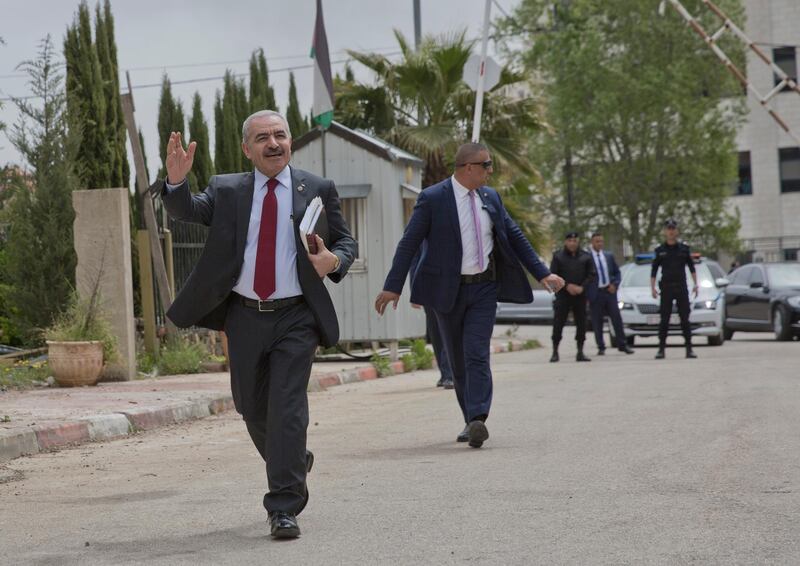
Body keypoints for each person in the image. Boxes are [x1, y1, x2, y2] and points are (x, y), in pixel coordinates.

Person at [159, 110, 357, 539]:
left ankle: (283, 506)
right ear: (248, 148)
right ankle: (291, 459)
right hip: (245, 314)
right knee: (252, 408)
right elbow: (187, 211)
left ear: (290, 142)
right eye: (263, 137)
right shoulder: (228, 190)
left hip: (296, 316)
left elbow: (345, 241)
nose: (274, 143)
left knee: (287, 407)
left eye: (280, 135)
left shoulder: (316, 189)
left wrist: (333, 260)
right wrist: (176, 183)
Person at [374, 143, 564, 449]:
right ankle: (469, 418)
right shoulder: (433, 198)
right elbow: (409, 243)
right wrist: (393, 285)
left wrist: (542, 272)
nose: (491, 171)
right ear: (469, 168)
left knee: (476, 351)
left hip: (484, 288)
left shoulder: (490, 197)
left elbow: (514, 235)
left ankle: (478, 417)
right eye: (487, 165)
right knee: (458, 361)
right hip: (446, 291)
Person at [651, 218, 697, 360]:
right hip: (666, 288)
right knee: (664, 319)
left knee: (685, 318)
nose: (671, 232)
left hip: (681, 287)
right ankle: (661, 349)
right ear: (665, 232)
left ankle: (689, 348)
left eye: (673, 229)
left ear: (676, 231)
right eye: (668, 229)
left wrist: (696, 284)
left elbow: (691, 268)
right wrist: (652, 288)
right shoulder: (660, 251)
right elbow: (654, 270)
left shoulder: (684, 249)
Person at [549, 232, 595, 363]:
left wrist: (582, 287)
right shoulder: (558, 256)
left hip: (580, 296)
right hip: (563, 295)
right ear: (565, 242)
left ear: (578, 241)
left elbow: (591, 275)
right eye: (570, 240)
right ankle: (555, 352)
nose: (572, 243)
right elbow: (553, 275)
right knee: (558, 323)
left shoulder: (586, 257)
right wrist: (567, 286)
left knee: (581, 324)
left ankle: (580, 352)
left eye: (575, 240)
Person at [586, 232, 634, 356]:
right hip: (596, 294)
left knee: (616, 318)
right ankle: (601, 346)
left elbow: (617, 272)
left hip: (609, 292)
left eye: (601, 241)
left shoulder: (608, 256)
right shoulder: (587, 257)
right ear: (592, 243)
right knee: (597, 321)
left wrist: (615, 284)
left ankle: (622, 344)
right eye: (597, 241)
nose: (599, 244)